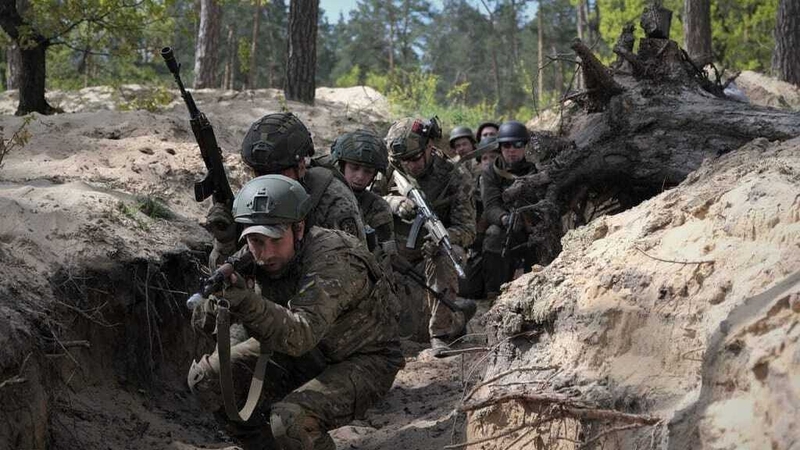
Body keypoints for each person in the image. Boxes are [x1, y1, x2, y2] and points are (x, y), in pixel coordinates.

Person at [188, 174, 403, 450]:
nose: (264, 253)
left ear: (299, 229)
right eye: (254, 240)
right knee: (205, 379)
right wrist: (218, 302)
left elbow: (302, 333)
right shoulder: (248, 257)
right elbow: (208, 324)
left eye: (274, 240)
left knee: (291, 420)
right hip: (304, 353)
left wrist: (246, 302)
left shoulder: (333, 257)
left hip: (364, 359)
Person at [205, 112, 366, 269]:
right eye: (260, 174)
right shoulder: (252, 199)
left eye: (277, 173)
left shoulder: (333, 201)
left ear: (301, 166)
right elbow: (223, 273)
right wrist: (225, 241)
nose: (268, 182)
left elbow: (354, 267)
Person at [383, 117, 477, 356]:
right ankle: (457, 312)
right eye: (404, 161)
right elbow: (363, 200)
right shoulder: (389, 168)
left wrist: (442, 238)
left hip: (429, 257)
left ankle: (441, 333)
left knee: (449, 254)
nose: (411, 166)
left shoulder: (455, 177)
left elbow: (468, 230)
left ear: (429, 148)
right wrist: (393, 202)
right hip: (392, 254)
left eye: (415, 158)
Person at [481, 120, 538, 299]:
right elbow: (490, 206)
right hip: (507, 226)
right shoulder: (492, 171)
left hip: (533, 223)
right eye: (506, 145)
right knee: (493, 235)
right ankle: (495, 292)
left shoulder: (536, 169)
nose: (511, 150)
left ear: (525, 146)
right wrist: (505, 219)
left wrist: (531, 219)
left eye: (517, 144)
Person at [330, 129, 396, 258]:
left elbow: (384, 259)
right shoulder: (324, 194)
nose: (360, 176)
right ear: (342, 165)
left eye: (368, 171)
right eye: (354, 168)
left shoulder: (378, 208)